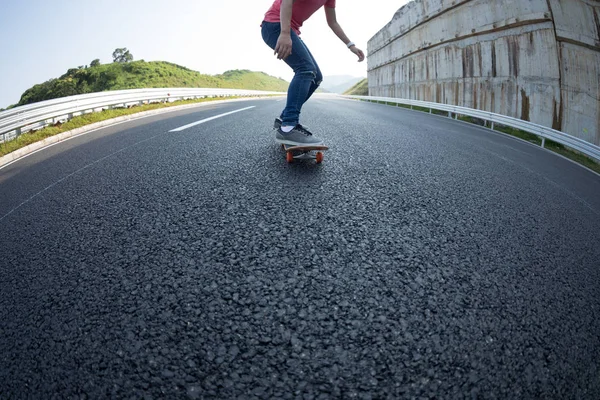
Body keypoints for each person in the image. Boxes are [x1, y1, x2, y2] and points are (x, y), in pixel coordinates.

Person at [261, 0, 365, 145]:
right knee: (305, 69)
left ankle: (284, 119)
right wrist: (284, 33)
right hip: (275, 24)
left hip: (290, 30)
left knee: (316, 77)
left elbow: (333, 22)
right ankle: (288, 127)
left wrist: (351, 45)